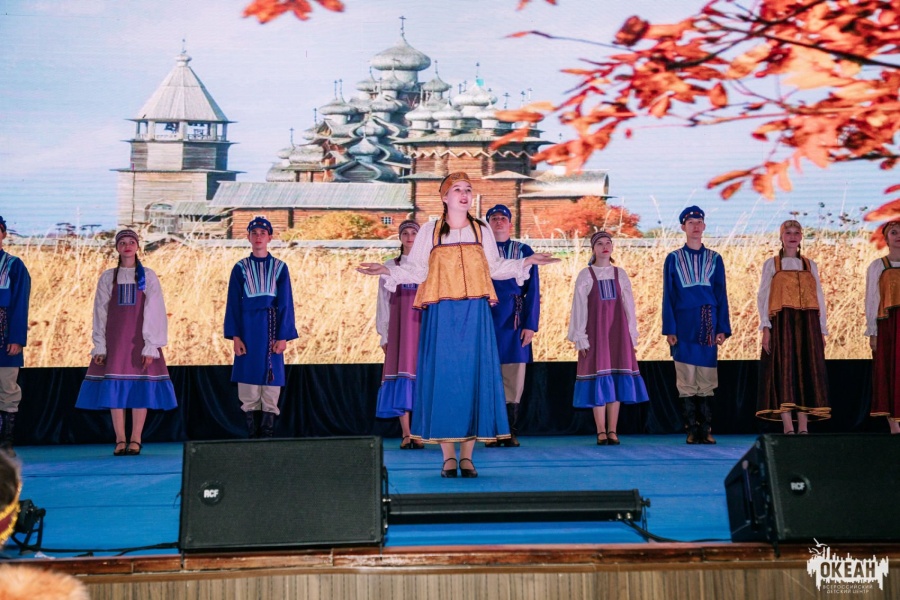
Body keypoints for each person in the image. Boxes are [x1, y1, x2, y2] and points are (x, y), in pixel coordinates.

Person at [357, 172, 558, 478]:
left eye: (468, 189)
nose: (464, 194)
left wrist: (526, 262)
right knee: (445, 379)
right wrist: (385, 270)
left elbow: (495, 268)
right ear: (444, 197)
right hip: (441, 313)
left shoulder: (481, 229)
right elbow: (417, 270)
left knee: (473, 378)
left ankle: (467, 456)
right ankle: (448, 456)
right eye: (457, 190)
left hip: (475, 312)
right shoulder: (430, 231)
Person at [75, 229, 177, 456]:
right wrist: (100, 344)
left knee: (140, 388)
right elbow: (100, 312)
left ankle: (136, 438)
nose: (127, 246)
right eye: (122, 242)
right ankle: (120, 439)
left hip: (139, 340)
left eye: (131, 242)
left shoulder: (147, 276)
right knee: (115, 390)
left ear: (138, 246)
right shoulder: (108, 277)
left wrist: (150, 344)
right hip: (115, 341)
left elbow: (155, 310)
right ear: (117, 247)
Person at [568, 231, 649, 445]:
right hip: (596, 334)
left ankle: (613, 430)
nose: (605, 247)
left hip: (617, 334)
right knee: (599, 379)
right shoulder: (586, 275)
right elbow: (579, 308)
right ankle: (601, 431)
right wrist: (580, 337)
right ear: (593, 249)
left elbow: (629, 306)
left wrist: (631, 334)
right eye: (600, 244)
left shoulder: (620, 274)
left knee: (616, 380)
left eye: (608, 243)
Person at [662, 206, 731, 444]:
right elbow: (668, 295)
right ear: (683, 227)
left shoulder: (715, 258)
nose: (695, 226)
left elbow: (721, 294)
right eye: (690, 222)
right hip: (683, 323)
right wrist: (670, 328)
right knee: (686, 376)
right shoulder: (673, 258)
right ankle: (691, 429)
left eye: (699, 222)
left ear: (704, 226)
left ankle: (706, 429)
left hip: (708, 321)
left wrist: (722, 327)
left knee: (707, 377)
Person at [224, 216, 298, 439]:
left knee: (271, 379)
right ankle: (251, 432)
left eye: (262, 233)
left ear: (270, 238)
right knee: (248, 379)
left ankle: (267, 432)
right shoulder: (240, 268)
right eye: (254, 233)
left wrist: (282, 336)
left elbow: (285, 302)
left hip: (271, 329)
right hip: (248, 329)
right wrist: (236, 336)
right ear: (248, 237)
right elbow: (233, 304)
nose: (258, 237)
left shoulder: (280, 267)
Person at [755, 220, 830, 432]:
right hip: (782, 323)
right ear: (781, 236)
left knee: (806, 368)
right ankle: (788, 425)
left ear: (801, 237)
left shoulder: (810, 265)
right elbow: (763, 296)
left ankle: (803, 425)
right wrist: (766, 327)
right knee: (784, 368)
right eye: (788, 232)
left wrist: (821, 328)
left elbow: (819, 296)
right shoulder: (772, 264)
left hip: (807, 323)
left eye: (796, 232)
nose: (792, 236)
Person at [484, 204, 540, 448]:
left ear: (510, 223)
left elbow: (533, 290)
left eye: (503, 218)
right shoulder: (478, 250)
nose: (498, 221)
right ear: (487, 224)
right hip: (485, 318)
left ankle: (509, 431)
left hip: (514, 320)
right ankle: (490, 431)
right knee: (486, 375)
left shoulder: (524, 251)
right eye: (494, 218)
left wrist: (530, 324)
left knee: (513, 376)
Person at [375, 220, 424, 449]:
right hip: (400, 329)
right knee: (401, 375)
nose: (409, 236)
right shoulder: (390, 266)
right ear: (400, 237)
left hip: (423, 327)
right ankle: (406, 433)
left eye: (414, 232)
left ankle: (420, 432)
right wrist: (384, 334)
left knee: (422, 378)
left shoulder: (428, 266)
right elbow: (383, 302)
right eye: (405, 233)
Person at [0, 216, 31, 457]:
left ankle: (5, 443)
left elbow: (20, 303)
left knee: (7, 387)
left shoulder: (13, 265)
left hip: (4, 335)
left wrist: (17, 338)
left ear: (3, 234)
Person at [866, 220, 900, 434]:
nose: (899, 236)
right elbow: (872, 299)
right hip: (888, 325)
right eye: (894, 232)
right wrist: (873, 331)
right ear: (886, 239)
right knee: (889, 370)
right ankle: (894, 424)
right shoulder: (878, 266)